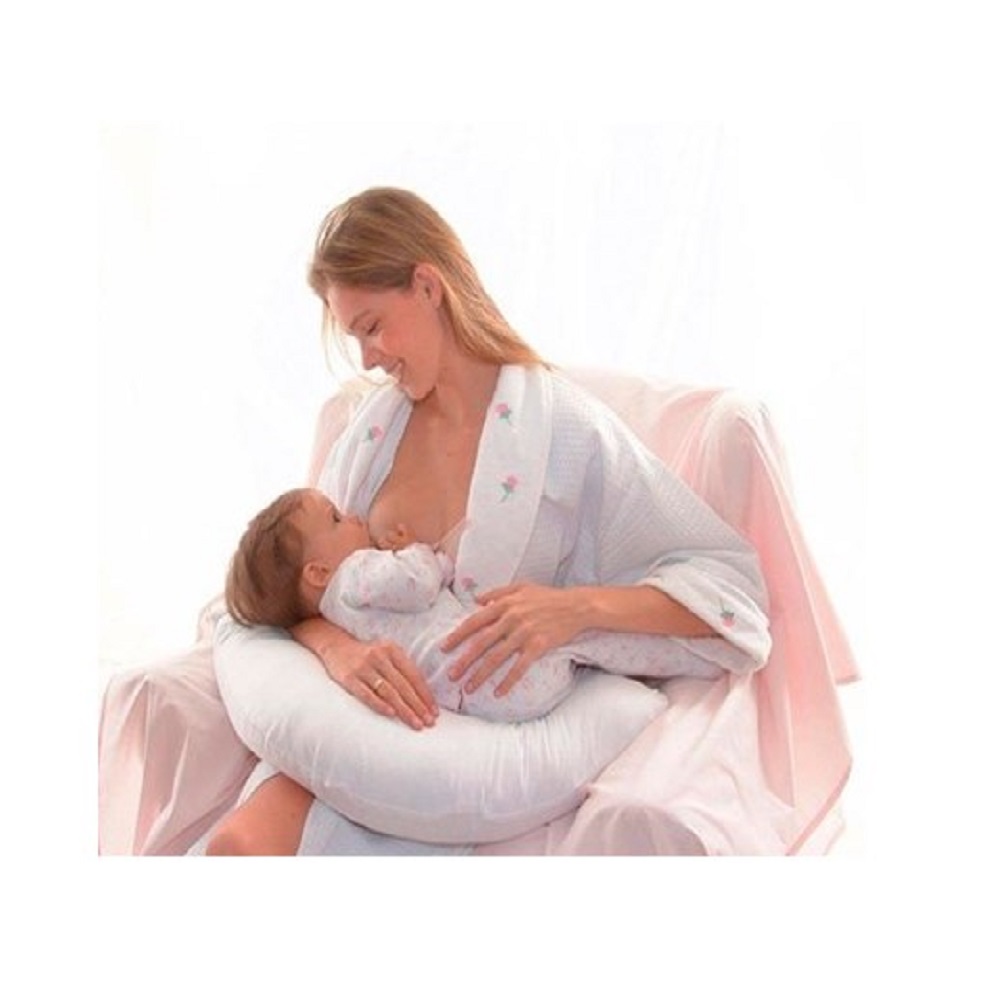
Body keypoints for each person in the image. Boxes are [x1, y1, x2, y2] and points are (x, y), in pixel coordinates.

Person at [205, 186, 772, 855]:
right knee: (237, 846)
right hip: (370, 733)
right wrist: (338, 648)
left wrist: (574, 608)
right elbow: (300, 583)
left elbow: (730, 591)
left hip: (480, 755)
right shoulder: (372, 434)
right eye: (354, 336)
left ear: (427, 287)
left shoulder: (565, 431)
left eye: (372, 327)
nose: (367, 359)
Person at [224, 486, 577, 721]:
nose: (354, 517)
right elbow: (418, 583)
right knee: (568, 644)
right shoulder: (354, 573)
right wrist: (417, 550)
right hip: (497, 669)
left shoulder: (335, 615)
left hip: (477, 696)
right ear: (318, 572)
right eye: (336, 518)